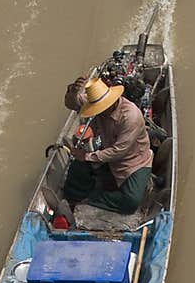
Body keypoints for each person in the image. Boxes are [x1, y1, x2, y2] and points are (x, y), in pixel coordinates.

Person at [61, 75, 153, 215]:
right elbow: (72, 104)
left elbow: (119, 151)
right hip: (105, 151)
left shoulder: (130, 116)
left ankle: (91, 198)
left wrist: (87, 156)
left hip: (132, 162)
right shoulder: (94, 101)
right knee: (76, 168)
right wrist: (73, 91)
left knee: (131, 202)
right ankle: (75, 197)